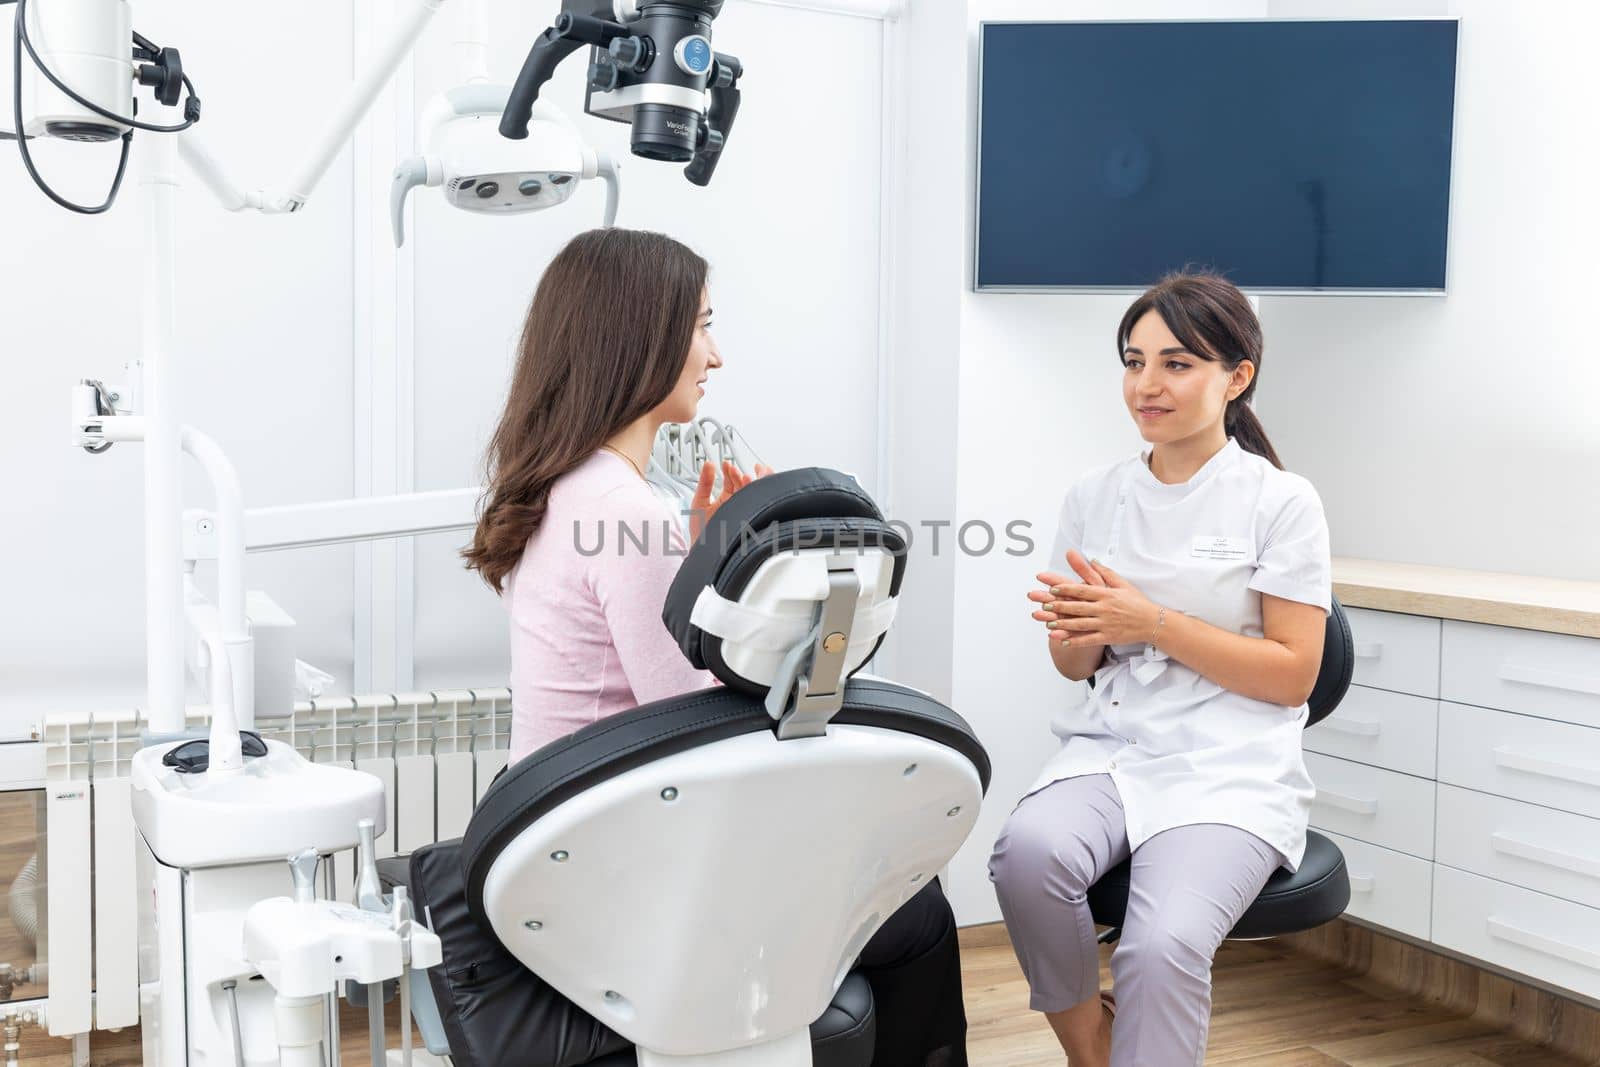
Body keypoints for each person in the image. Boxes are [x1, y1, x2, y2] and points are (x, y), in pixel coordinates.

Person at [463, 227, 970, 1067]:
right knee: (918, 913)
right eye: (702, 326)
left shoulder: (565, 488)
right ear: (641, 337)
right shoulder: (627, 513)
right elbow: (701, 724)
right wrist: (748, 585)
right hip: (624, 853)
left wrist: (712, 557)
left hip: (562, 831)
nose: (717, 355)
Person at [987, 271, 1332, 1067]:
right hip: (1114, 744)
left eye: (1177, 364)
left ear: (1235, 377)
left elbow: (1293, 676)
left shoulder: (1280, 501)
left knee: (1161, 943)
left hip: (1230, 763)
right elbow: (1072, 662)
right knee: (1027, 857)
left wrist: (1154, 623)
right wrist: (1086, 629)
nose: (1148, 384)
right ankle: (1093, 1047)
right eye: (1134, 361)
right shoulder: (1094, 495)